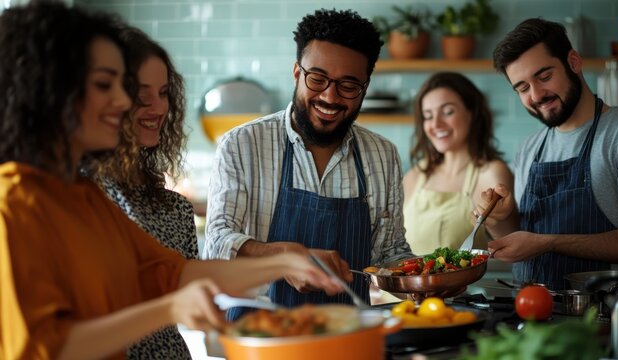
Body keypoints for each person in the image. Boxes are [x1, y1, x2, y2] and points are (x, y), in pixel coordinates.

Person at [0, 2, 342, 359]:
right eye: (105, 84)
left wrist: (285, 263)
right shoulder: (14, 204)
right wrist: (168, 310)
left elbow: (173, 274)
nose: (121, 100)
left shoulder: (81, 196)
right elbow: (44, 348)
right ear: (50, 92)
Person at [203, 8, 413, 318]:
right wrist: (282, 256)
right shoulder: (243, 144)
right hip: (258, 338)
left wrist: (429, 280)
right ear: (297, 73)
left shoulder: (382, 155)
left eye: (348, 85)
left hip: (349, 337)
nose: (330, 97)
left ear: (364, 88)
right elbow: (218, 244)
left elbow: (389, 254)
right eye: (318, 78)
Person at [477, 18, 618, 290]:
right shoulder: (530, 148)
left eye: (544, 77)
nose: (537, 94)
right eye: (522, 88)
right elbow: (517, 244)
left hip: (604, 317)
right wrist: (500, 219)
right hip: (532, 318)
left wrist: (550, 242)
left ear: (574, 62)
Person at [83, 26, 195, 359]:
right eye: (143, 96)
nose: (159, 108)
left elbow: (187, 291)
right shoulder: (75, 196)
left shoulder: (176, 209)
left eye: (163, 93)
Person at [403, 72, 513, 255]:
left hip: (468, 285)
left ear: (472, 113)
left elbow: (511, 243)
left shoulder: (491, 173)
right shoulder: (416, 175)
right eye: (428, 116)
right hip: (410, 283)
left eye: (447, 112)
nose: (436, 124)